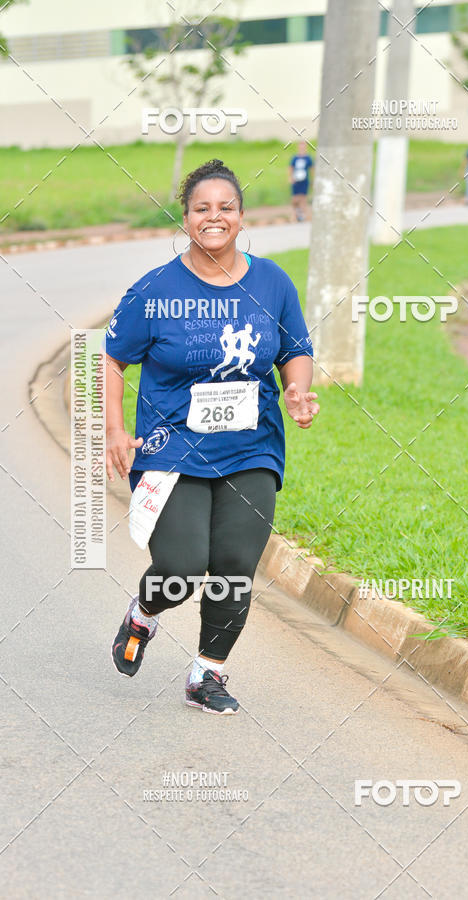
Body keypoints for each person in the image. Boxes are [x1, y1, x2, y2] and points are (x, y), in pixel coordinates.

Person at [104, 158, 319, 715]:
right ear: (186, 218)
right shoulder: (155, 290)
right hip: (171, 449)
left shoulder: (272, 282)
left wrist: (297, 390)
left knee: (234, 565)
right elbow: (112, 358)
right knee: (179, 568)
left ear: (242, 217)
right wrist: (115, 430)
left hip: (252, 446)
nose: (214, 217)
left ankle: (207, 673)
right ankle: (143, 615)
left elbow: (295, 349)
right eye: (202, 208)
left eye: (226, 207)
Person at [289, 140, 313, 222]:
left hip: (304, 180)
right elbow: (291, 168)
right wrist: (290, 177)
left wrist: (312, 180)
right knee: (295, 199)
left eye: (304, 146)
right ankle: (295, 214)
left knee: (303, 198)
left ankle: (304, 215)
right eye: (301, 146)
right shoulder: (295, 158)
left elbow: (311, 169)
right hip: (296, 180)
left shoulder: (308, 158)